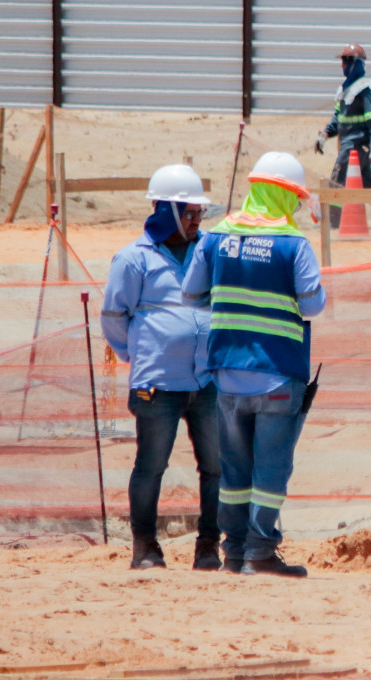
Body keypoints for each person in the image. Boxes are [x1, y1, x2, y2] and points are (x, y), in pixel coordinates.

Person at [181, 151, 323, 576]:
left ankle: (234, 553)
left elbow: (190, 295)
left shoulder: (214, 238)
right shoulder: (294, 244)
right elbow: (313, 305)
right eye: (295, 199)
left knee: (235, 470)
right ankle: (261, 551)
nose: (298, 207)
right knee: (271, 469)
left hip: (227, 371)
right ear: (284, 197)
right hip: (278, 372)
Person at [100, 163, 221, 571]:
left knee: (217, 466)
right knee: (151, 466)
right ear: (165, 211)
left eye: (199, 213)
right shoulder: (134, 259)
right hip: (157, 383)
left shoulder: (208, 251)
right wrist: (143, 353)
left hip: (206, 382)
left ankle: (208, 548)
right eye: (189, 213)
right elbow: (114, 317)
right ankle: (145, 547)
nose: (196, 220)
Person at [315, 43, 371, 231]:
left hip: (357, 146)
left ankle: (333, 223)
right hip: (350, 145)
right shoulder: (344, 89)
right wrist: (325, 134)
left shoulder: (366, 88)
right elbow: (339, 118)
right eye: (341, 61)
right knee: (367, 184)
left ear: (355, 64)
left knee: (337, 179)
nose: (342, 66)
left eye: (345, 62)